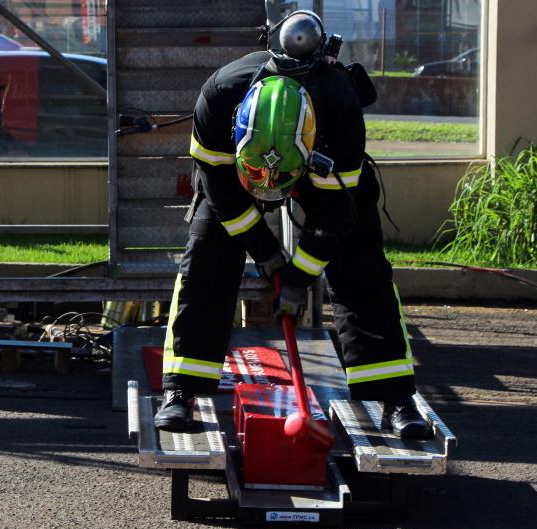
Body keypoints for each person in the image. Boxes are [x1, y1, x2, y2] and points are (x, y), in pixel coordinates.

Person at [154, 10, 431, 439]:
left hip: (325, 182)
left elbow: (335, 212)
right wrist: (266, 254)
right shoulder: (219, 95)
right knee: (206, 256)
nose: (271, 189)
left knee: (361, 263)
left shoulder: (339, 104)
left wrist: (299, 275)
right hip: (233, 178)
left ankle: (394, 394)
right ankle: (183, 390)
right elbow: (218, 188)